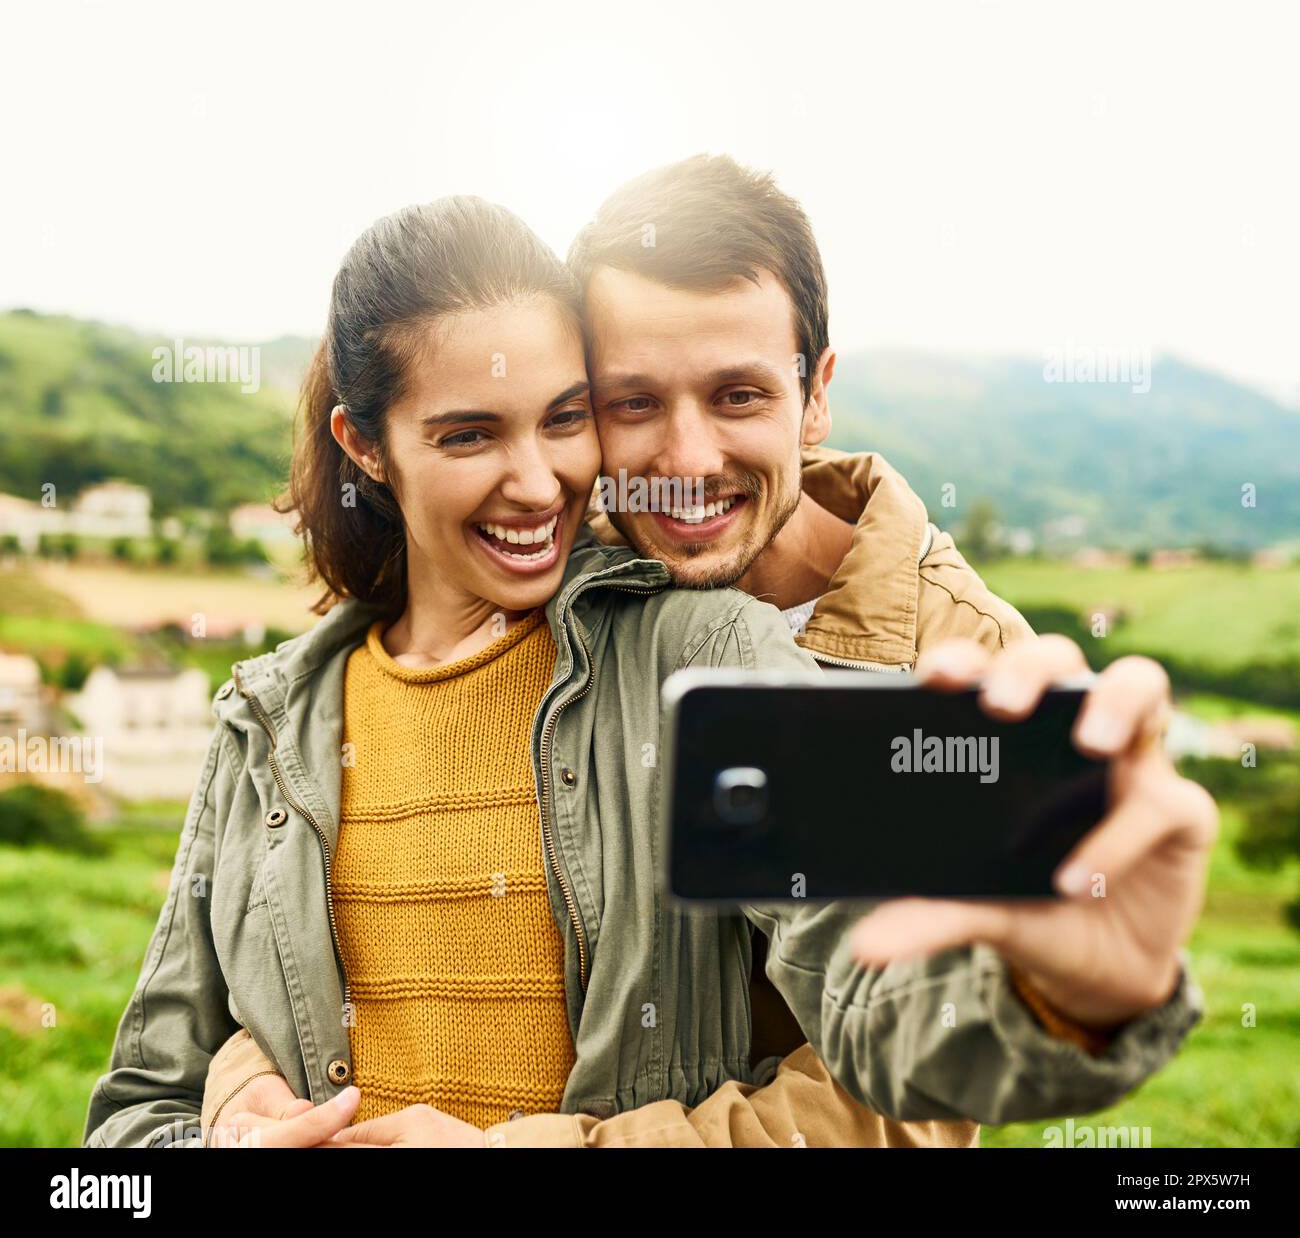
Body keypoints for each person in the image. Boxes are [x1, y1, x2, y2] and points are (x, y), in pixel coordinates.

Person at [93, 179, 1211, 1150]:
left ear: (815, 393)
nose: (545, 481)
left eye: (563, 419)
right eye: (627, 405)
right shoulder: (268, 719)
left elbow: (887, 1054)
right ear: (365, 446)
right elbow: (139, 1107)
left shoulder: (749, 654)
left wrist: (1065, 996)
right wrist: (229, 1116)